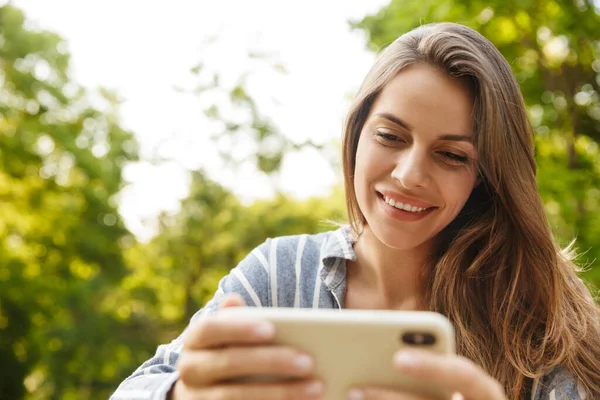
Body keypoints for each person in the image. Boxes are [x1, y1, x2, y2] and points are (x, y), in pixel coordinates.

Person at [110, 22, 600, 400]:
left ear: (487, 177)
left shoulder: (536, 320)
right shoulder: (279, 277)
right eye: (390, 136)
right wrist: (186, 392)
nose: (409, 174)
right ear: (356, 134)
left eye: (452, 155)